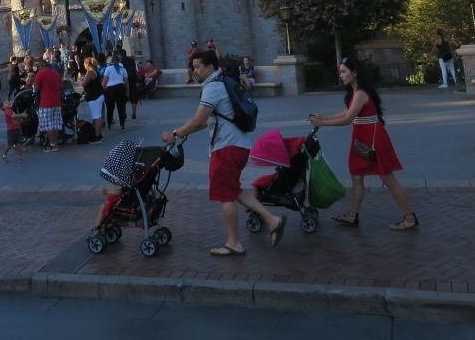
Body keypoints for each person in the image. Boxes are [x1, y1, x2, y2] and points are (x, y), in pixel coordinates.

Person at [162, 49, 287, 255]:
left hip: (226, 148)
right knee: (233, 189)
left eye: (198, 67)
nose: (195, 71)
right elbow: (211, 119)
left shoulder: (212, 87)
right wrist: (186, 132)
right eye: (193, 68)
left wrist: (175, 133)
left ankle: (234, 243)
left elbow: (199, 119)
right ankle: (273, 220)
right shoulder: (222, 83)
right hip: (238, 145)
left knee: (225, 196)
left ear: (210, 67)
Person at [310, 56, 417, 231]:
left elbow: (348, 119)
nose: (341, 76)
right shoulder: (356, 92)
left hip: (372, 138)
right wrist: (325, 118)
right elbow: (348, 111)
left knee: (387, 178)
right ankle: (353, 215)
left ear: (355, 73)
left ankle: (410, 218)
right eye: (341, 72)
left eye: (344, 72)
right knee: (356, 175)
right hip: (362, 137)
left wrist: (322, 123)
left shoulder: (360, 93)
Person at [102, 53, 129, 131]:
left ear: (112, 61)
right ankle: (122, 125)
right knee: (121, 108)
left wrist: (103, 89)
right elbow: (126, 82)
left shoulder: (108, 69)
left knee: (110, 108)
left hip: (110, 89)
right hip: (121, 88)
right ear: (119, 60)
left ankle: (109, 124)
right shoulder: (123, 69)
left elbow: (105, 81)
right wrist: (127, 90)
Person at [80, 57, 104, 142]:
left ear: (87, 64)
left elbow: (83, 84)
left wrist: (80, 81)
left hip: (94, 97)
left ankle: (97, 136)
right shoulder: (95, 71)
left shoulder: (90, 72)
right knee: (99, 116)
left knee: (96, 116)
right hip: (99, 95)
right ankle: (99, 133)